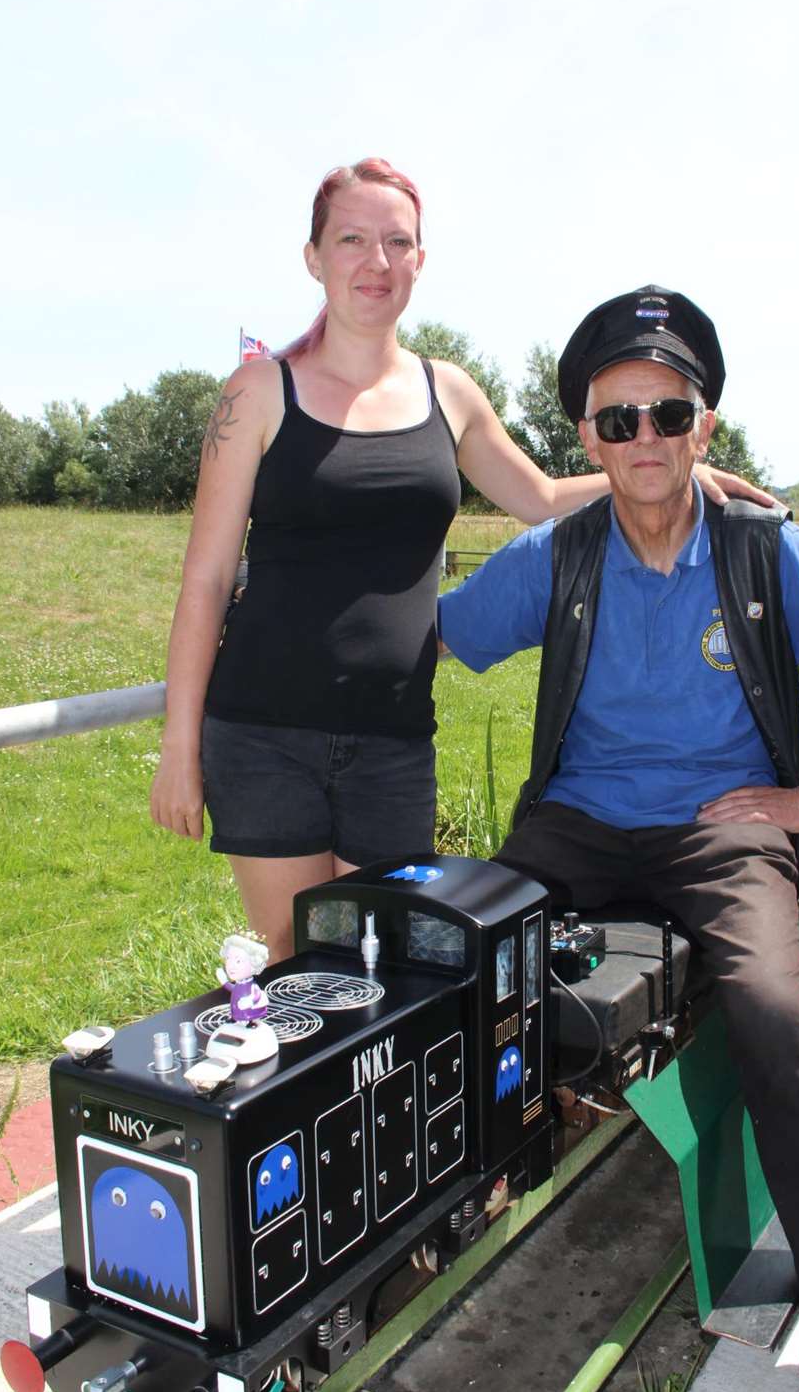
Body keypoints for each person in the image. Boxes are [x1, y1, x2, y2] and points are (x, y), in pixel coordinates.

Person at [438, 284, 799, 1392]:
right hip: (578, 826)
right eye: (618, 422)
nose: (644, 439)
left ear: (704, 425)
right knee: (448, 964)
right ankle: (433, 1215)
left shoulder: (762, 547)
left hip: (722, 831)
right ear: (588, 441)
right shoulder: (558, 555)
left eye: (668, 414)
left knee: (770, 1008)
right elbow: (434, 638)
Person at [150, 163, 766, 963]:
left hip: (393, 737)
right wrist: (179, 747)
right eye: (352, 240)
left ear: (419, 260)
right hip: (266, 732)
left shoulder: (451, 393)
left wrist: (675, 469)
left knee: (391, 958)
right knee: (298, 954)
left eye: (396, 242)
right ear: (313, 257)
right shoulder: (260, 393)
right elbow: (204, 580)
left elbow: (542, 496)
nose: (376, 261)